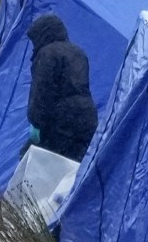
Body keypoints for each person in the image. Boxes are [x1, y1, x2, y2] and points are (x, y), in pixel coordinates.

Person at [26, 14, 98, 162]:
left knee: (45, 165)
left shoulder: (46, 53)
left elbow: (42, 93)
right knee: (76, 166)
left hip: (61, 120)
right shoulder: (79, 52)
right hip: (87, 116)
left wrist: (36, 123)